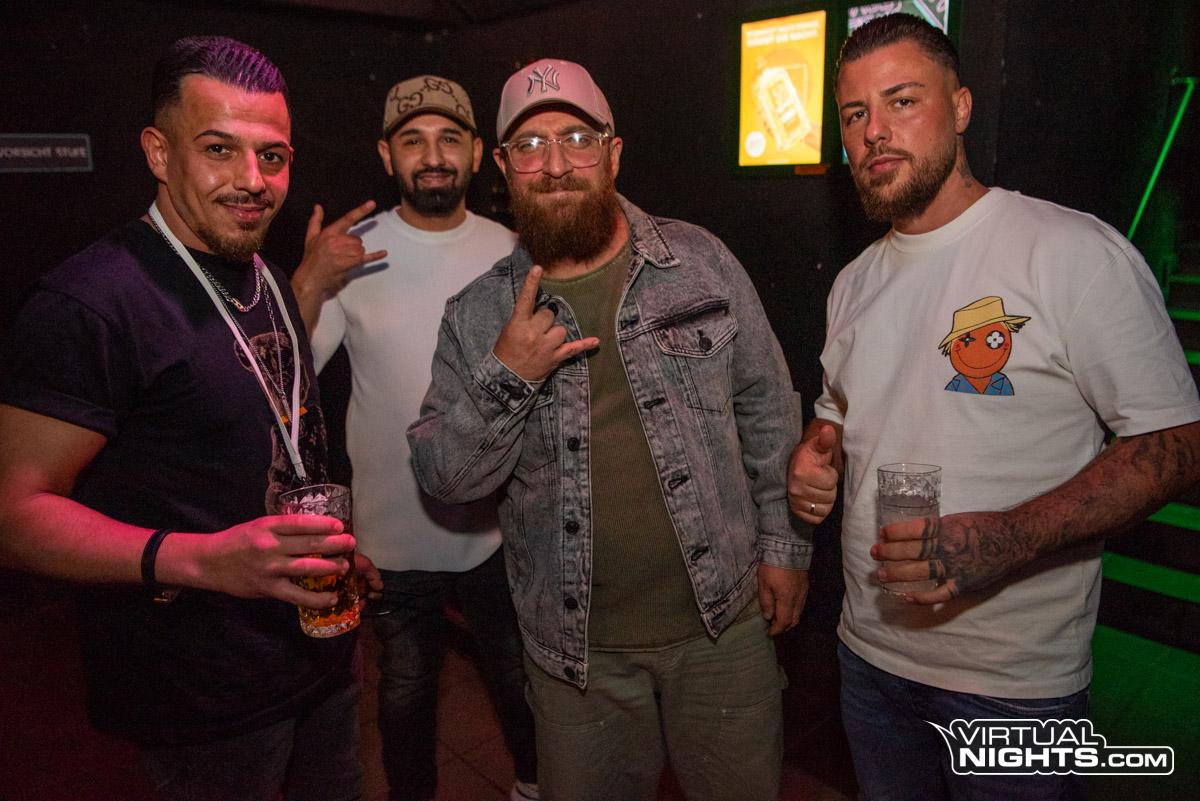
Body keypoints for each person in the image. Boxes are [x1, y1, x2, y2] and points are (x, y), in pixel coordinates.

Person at [787, 14, 1200, 801]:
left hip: (1014, 687)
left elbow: (1177, 442)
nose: (874, 132)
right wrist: (817, 450)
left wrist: (1010, 538)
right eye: (854, 113)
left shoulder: (1071, 252)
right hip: (869, 660)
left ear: (961, 106)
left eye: (902, 101)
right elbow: (839, 411)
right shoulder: (853, 283)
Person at [408, 58, 816, 801]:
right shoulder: (477, 314)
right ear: (502, 166)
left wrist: (785, 548)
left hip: (723, 625)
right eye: (530, 146)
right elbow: (443, 476)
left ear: (613, 152)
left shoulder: (698, 261)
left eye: (577, 139)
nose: (555, 164)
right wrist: (509, 372)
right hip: (575, 656)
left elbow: (766, 406)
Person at [0, 36, 381, 801]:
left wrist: (327, 550)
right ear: (159, 153)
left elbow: (261, 435)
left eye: (272, 156)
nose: (252, 181)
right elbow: (13, 514)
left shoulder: (267, 276)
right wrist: (204, 560)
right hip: (203, 698)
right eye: (218, 149)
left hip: (317, 660)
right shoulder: (92, 302)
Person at [290, 74, 538, 801]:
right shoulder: (351, 253)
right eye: (413, 141)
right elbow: (286, 382)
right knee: (404, 693)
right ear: (386, 154)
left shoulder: (514, 250)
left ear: (477, 154)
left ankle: (534, 786)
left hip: (496, 528)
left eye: (449, 139)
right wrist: (308, 281)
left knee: (518, 678)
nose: (432, 157)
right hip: (393, 537)